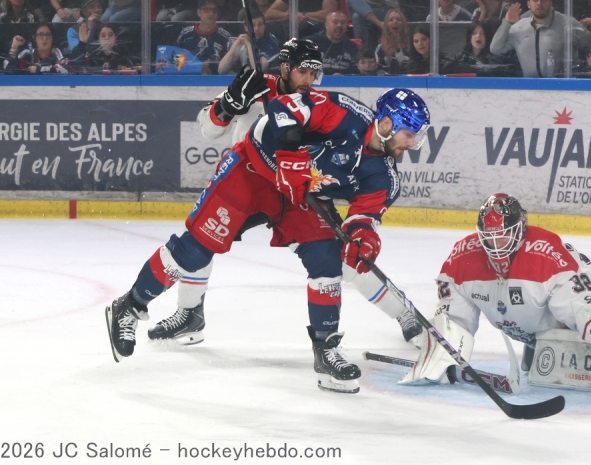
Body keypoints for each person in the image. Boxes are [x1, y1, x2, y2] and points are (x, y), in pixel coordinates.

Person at [105, 72, 431, 395]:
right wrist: (289, 156)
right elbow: (282, 108)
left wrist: (363, 240)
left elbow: (365, 217)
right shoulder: (343, 112)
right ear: (387, 124)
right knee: (194, 251)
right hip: (252, 170)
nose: (413, 143)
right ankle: (130, 305)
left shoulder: (384, 177)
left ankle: (326, 350)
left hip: (299, 195)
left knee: (327, 259)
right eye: (410, 133)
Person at [149, 40, 425, 349]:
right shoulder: (255, 88)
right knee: (205, 240)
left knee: (344, 256)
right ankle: (189, 314)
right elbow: (208, 129)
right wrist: (228, 103)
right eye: (303, 72)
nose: (309, 81)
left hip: (297, 194)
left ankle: (403, 313)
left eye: (315, 74)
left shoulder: (316, 104)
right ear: (285, 69)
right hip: (253, 181)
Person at [400, 193, 591, 400]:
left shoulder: (545, 257)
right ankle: (540, 346)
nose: (496, 247)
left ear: (520, 228)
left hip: (587, 304)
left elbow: (587, 312)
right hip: (534, 325)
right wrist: (443, 355)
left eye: (504, 237)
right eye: (489, 239)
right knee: (543, 352)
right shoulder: (460, 260)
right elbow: (453, 324)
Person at [490, 0, 590, 78]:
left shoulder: (567, 24)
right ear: (529, 4)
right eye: (535, 0)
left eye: (544, 0)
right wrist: (506, 23)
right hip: (530, 88)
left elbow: (590, 43)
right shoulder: (519, 28)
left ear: (550, 3)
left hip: (561, 88)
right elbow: (495, 49)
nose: (539, 3)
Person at [175, 0, 234, 74]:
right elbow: (176, 62)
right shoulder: (185, 34)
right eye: (206, 10)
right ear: (198, 12)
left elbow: (229, 66)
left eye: (214, 10)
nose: (211, 13)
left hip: (216, 82)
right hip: (188, 80)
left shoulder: (225, 37)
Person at [308, 10, 360, 75]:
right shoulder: (310, 43)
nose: (339, 25)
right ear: (326, 25)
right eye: (335, 22)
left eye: (343, 23)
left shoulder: (352, 47)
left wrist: (344, 77)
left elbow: (356, 72)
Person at [3, 22, 69, 73]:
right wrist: (14, 47)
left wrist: (38, 70)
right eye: (40, 35)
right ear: (35, 38)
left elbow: (65, 69)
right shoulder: (27, 53)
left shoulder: (57, 52)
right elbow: (7, 68)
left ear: (52, 38)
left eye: (48, 34)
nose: (45, 38)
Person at [70, 23, 135, 73]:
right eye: (103, 35)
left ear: (115, 38)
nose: (107, 38)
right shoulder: (92, 55)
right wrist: (82, 43)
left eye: (110, 35)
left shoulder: (123, 55)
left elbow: (132, 68)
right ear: (98, 40)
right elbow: (75, 65)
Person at [374, 8, 410, 74]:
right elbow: (378, 70)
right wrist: (388, 55)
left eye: (398, 19)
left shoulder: (412, 45)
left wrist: (398, 50)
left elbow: (409, 67)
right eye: (391, 20)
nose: (395, 22)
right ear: (386, 25)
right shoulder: (380, 48)